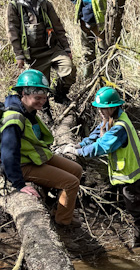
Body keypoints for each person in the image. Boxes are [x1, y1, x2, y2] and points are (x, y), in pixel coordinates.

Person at [60, 87, 140, 247]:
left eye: (102, 108)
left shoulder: (119, 127)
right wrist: (79, 144)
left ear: (112, 107)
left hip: (132, 178)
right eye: (98, 108)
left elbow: (102, 147)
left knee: (137, 213)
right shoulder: (112, 119)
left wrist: (78, 151)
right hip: (133, 175)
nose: (99, 111)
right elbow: (96, 135)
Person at [1, 69, 82, 228]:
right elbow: (8, 154)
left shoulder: (27, 110)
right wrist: (20, 185)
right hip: (23, 165)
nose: (41, 102)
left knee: (76, 169)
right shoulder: (15, 116)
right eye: (37, 98)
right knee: (71, 183)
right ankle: (63, 222)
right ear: (24, 93)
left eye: (44, 98)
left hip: (34, 157)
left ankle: (58, 206)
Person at [7, 0, 76, 104]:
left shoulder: (44, 3)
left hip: (53, 49)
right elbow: (13, 32)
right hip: (33, 54)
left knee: (69, 69)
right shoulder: (14, 6)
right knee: (39, 87)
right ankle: (45, 110)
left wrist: (66, 48)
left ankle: (60, 95)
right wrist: (19, 55)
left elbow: (58, 26)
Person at [66, 0, 107, 78]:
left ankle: (109, 76)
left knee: (105, 51)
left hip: (101, 16)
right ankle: (88, 80)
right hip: (84, 15)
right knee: (87, 52)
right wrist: (77, 1)